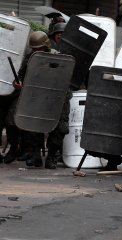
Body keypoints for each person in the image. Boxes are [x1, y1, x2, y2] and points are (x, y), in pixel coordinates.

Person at [5, 31, 71, 169]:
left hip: (56, 97)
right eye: (34, 49)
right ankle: (35, 154)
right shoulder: (31, 58)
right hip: (36, 95)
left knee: (59, 127)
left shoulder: (58, 58)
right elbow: (20, 76)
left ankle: (52, 155)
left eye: (39, 48)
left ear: (46, 46)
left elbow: (66, 79)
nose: (36, 51)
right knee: (31, 123)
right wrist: (18, 83)